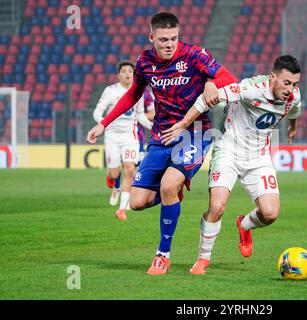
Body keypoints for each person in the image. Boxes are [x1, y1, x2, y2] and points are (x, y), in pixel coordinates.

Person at [86, 12, 237, 275]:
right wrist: (104, 123)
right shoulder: (144, 61)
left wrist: (212, 83)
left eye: (174, 38)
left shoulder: (194, 55)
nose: (169, 44)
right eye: (164, 39)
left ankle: (162, 255)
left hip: (195, 132)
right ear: (152, 37)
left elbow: (230, 79)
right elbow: (133, 94)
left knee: (168, 185)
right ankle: (173, 197)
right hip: (160, 135)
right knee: (136, 201)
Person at [161, 55, 302, 275]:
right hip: (228, 151)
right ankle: (202, 259)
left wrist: (292, 128)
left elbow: (295, 111)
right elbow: (206, 99)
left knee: (270, 214)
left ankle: (244, 225)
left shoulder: (293, 97)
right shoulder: (250, 89)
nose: (290, 89)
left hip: (259, 158)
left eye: (295, 84)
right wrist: (183, 124)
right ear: (273, 77)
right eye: (286, 83)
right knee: (217, 207)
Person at [93, 60, 154, 221]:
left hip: (130, 136)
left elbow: (140, 114)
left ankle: (122, 209)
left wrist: (151, 127)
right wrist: (103, 124)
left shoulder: (138, 92)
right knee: (114, 173)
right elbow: (97, 112)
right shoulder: (110, 91)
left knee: (130, 170)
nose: (127, 74)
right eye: (124, 71)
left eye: (130, 71)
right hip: (112, 135)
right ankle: (112, 180)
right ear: (118, 75)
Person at [137, 87, 156, 165]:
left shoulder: (146, 93)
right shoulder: (113, 90)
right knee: (114, 172)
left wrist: (137, 116)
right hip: (115, 136)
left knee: (136, 169)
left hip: (137, 138)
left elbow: (153, 114)